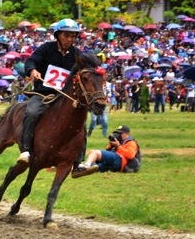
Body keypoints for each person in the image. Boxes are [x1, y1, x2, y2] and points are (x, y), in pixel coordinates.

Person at [17, 18, 81, 164]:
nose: (69, 39)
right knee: (32, 112)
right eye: (66, 35)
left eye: (72, 36)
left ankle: (78, 162)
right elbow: (31, 61)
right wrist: (32, 70)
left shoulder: (77, 54)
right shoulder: (46, 48)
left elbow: (82, 70)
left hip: (64, 96)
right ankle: (26, 150)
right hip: (43, 92)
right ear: (58, 35)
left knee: (80, 119)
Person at [72, 125, 139, 178]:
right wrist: (111, 145)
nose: (118, 135)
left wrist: (118, 146)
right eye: (117, 133)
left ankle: (86, 165)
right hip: (115, 164)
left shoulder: (131, 142)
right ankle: (80, 169)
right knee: (94, 168)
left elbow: (131, 155)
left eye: (120, 133)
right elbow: (108, 151)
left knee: (95, 152)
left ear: (128, 134)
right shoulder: (120, 142)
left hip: (120, 160)